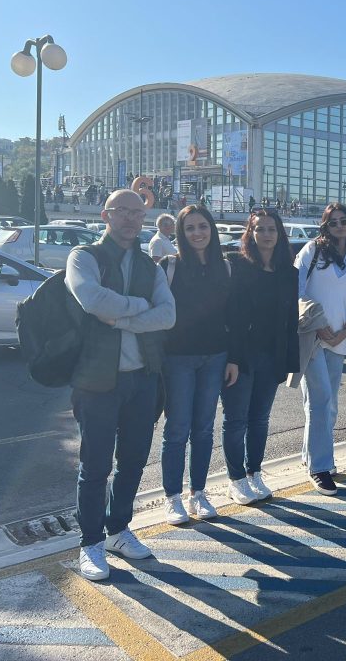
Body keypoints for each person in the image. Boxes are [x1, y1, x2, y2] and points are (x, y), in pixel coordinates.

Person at [64, 189, 176, 581]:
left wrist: (121, 317)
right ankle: (91, 542)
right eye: (122, 211)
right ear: (105, 215)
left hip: (143, 378)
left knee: (132, 461)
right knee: (95, 465)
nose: (130, 218)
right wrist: (141, 308)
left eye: (137, 212)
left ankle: (117, 530)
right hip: (96, 379)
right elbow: (92, 300)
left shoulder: (150, 266)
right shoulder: (84, 257)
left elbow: (168, 315)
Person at [158, 205, 237, 524]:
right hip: (177, 358)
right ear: (180, 233)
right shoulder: (169, 266)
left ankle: (198, 493)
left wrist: (233, 358)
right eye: (189, 228)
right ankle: (172, 497)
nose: (197, 233)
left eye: (202, 226)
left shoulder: (225, 267)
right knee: (177, 429)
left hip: (215, 357)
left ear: (212, 229)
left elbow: (233, 316)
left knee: (204, 428)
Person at [222, 207, 300, 503]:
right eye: (260, 229)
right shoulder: (237, 265)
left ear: (279, 234)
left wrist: (290, 360)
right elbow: (228, 315)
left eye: (271, 229)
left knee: (260, 419)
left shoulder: (288, 273)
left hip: (272, 355)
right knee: (236, 419)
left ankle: (254, 471)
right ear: (250, 233)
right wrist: (231, 356)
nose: (266, 234)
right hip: (240, 355)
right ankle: (236, 479)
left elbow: (291, 320)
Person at [294, 203, 346, 495]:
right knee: (320, 399)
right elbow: (297, 290)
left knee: (328, 403)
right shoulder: (312, 251)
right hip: (311, 336)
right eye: (332, 222)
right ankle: (320, 467)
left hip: (340, 338)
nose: (339, 226)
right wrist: (317, 325)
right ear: (325, 226)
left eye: (343, 221)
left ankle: (310, 455)